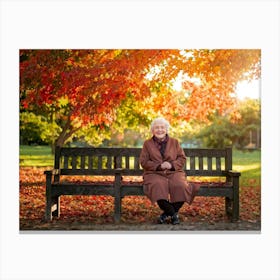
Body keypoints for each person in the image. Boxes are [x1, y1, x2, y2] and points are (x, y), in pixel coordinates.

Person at [140, 117, 199, 225]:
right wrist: (158, 166)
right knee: (157, 185)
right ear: (152, 130)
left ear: (166, 129)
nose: (160, 130)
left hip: (174, 172)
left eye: (162, 127)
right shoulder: (147, 144)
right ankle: (173, 214)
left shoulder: (175, 142)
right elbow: (143, 161)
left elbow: (182, 158)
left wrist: (171, 165)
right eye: (157, 127)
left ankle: (166, 214)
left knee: (181, 185)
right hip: (154, 173)